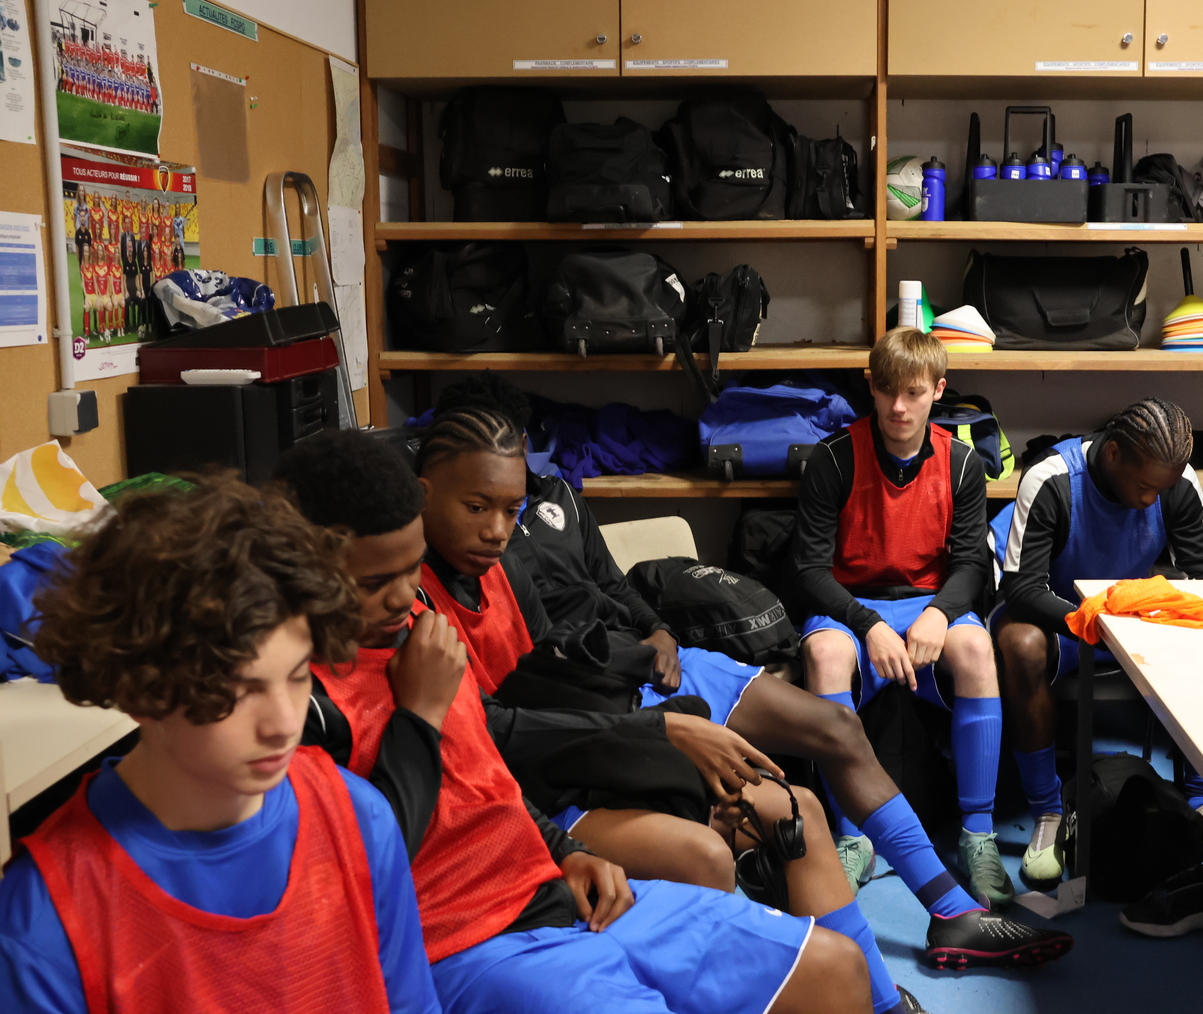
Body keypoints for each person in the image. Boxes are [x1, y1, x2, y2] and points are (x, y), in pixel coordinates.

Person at [409, 377, 1071, 971]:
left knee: (832, 736)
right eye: (479, 506)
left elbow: (604, 594)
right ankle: (841, 969)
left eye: (510, 504)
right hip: (583, 733)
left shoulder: (529, 531)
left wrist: (659, 632)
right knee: (763, 816)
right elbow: (508, 719)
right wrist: (656, 731)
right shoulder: (422, 599)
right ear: (427, 491)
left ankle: (946, 916)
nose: (499, 527)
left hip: (624, 675)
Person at [274, 430, 876, 1014]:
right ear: (303, 570)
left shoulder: (414, 637)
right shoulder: (296, 704)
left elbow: (485, 779)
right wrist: (420, 718)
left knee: (836, 970)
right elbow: (365, 871)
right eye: (375, 582)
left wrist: (565, 851)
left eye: (411, 570)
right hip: (470, 941)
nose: (404, 596)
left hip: (553, 890)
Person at [0, 476, 441, 1014]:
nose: (284, 723)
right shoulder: (44, 923)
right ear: (139, 691)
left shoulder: (360, 819)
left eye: (297, 676)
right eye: (238, 692)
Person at [792, 329, 1009, 906]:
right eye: (887, 390)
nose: (898, 407)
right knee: (824, 652)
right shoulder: (833, 458)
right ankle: (852, 836)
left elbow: (971, 564)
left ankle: (978, 835)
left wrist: (940, 613)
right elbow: (808, 570)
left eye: (913, 393)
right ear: (870, 384)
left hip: (928, 601)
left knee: (977, 649)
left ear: (938, 390)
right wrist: (867, 624)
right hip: (852, 605)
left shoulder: (961, 463)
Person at [991, 399, 1203, 872]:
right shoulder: (1052, 478)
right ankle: (1047, 809)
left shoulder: (1177, 482)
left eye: (1161, 490)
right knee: (1020, 644)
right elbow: (1021, 590)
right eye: (1144, 487)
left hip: (1124, 621)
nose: (1152, 501)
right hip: (1056, 619)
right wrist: (1093, 623)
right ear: (1114, 453)